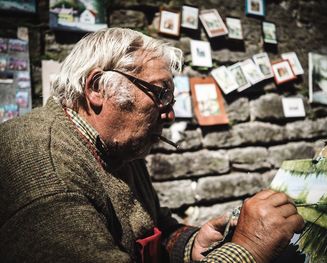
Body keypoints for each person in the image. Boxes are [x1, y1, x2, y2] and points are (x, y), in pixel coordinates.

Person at [0, 27, 304, 262]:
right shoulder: (47, 172)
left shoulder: (117, 147)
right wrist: (248, 249)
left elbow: (153, 225)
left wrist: (188, 244)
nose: (169, 113)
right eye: (159, 94)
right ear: (96, 88)